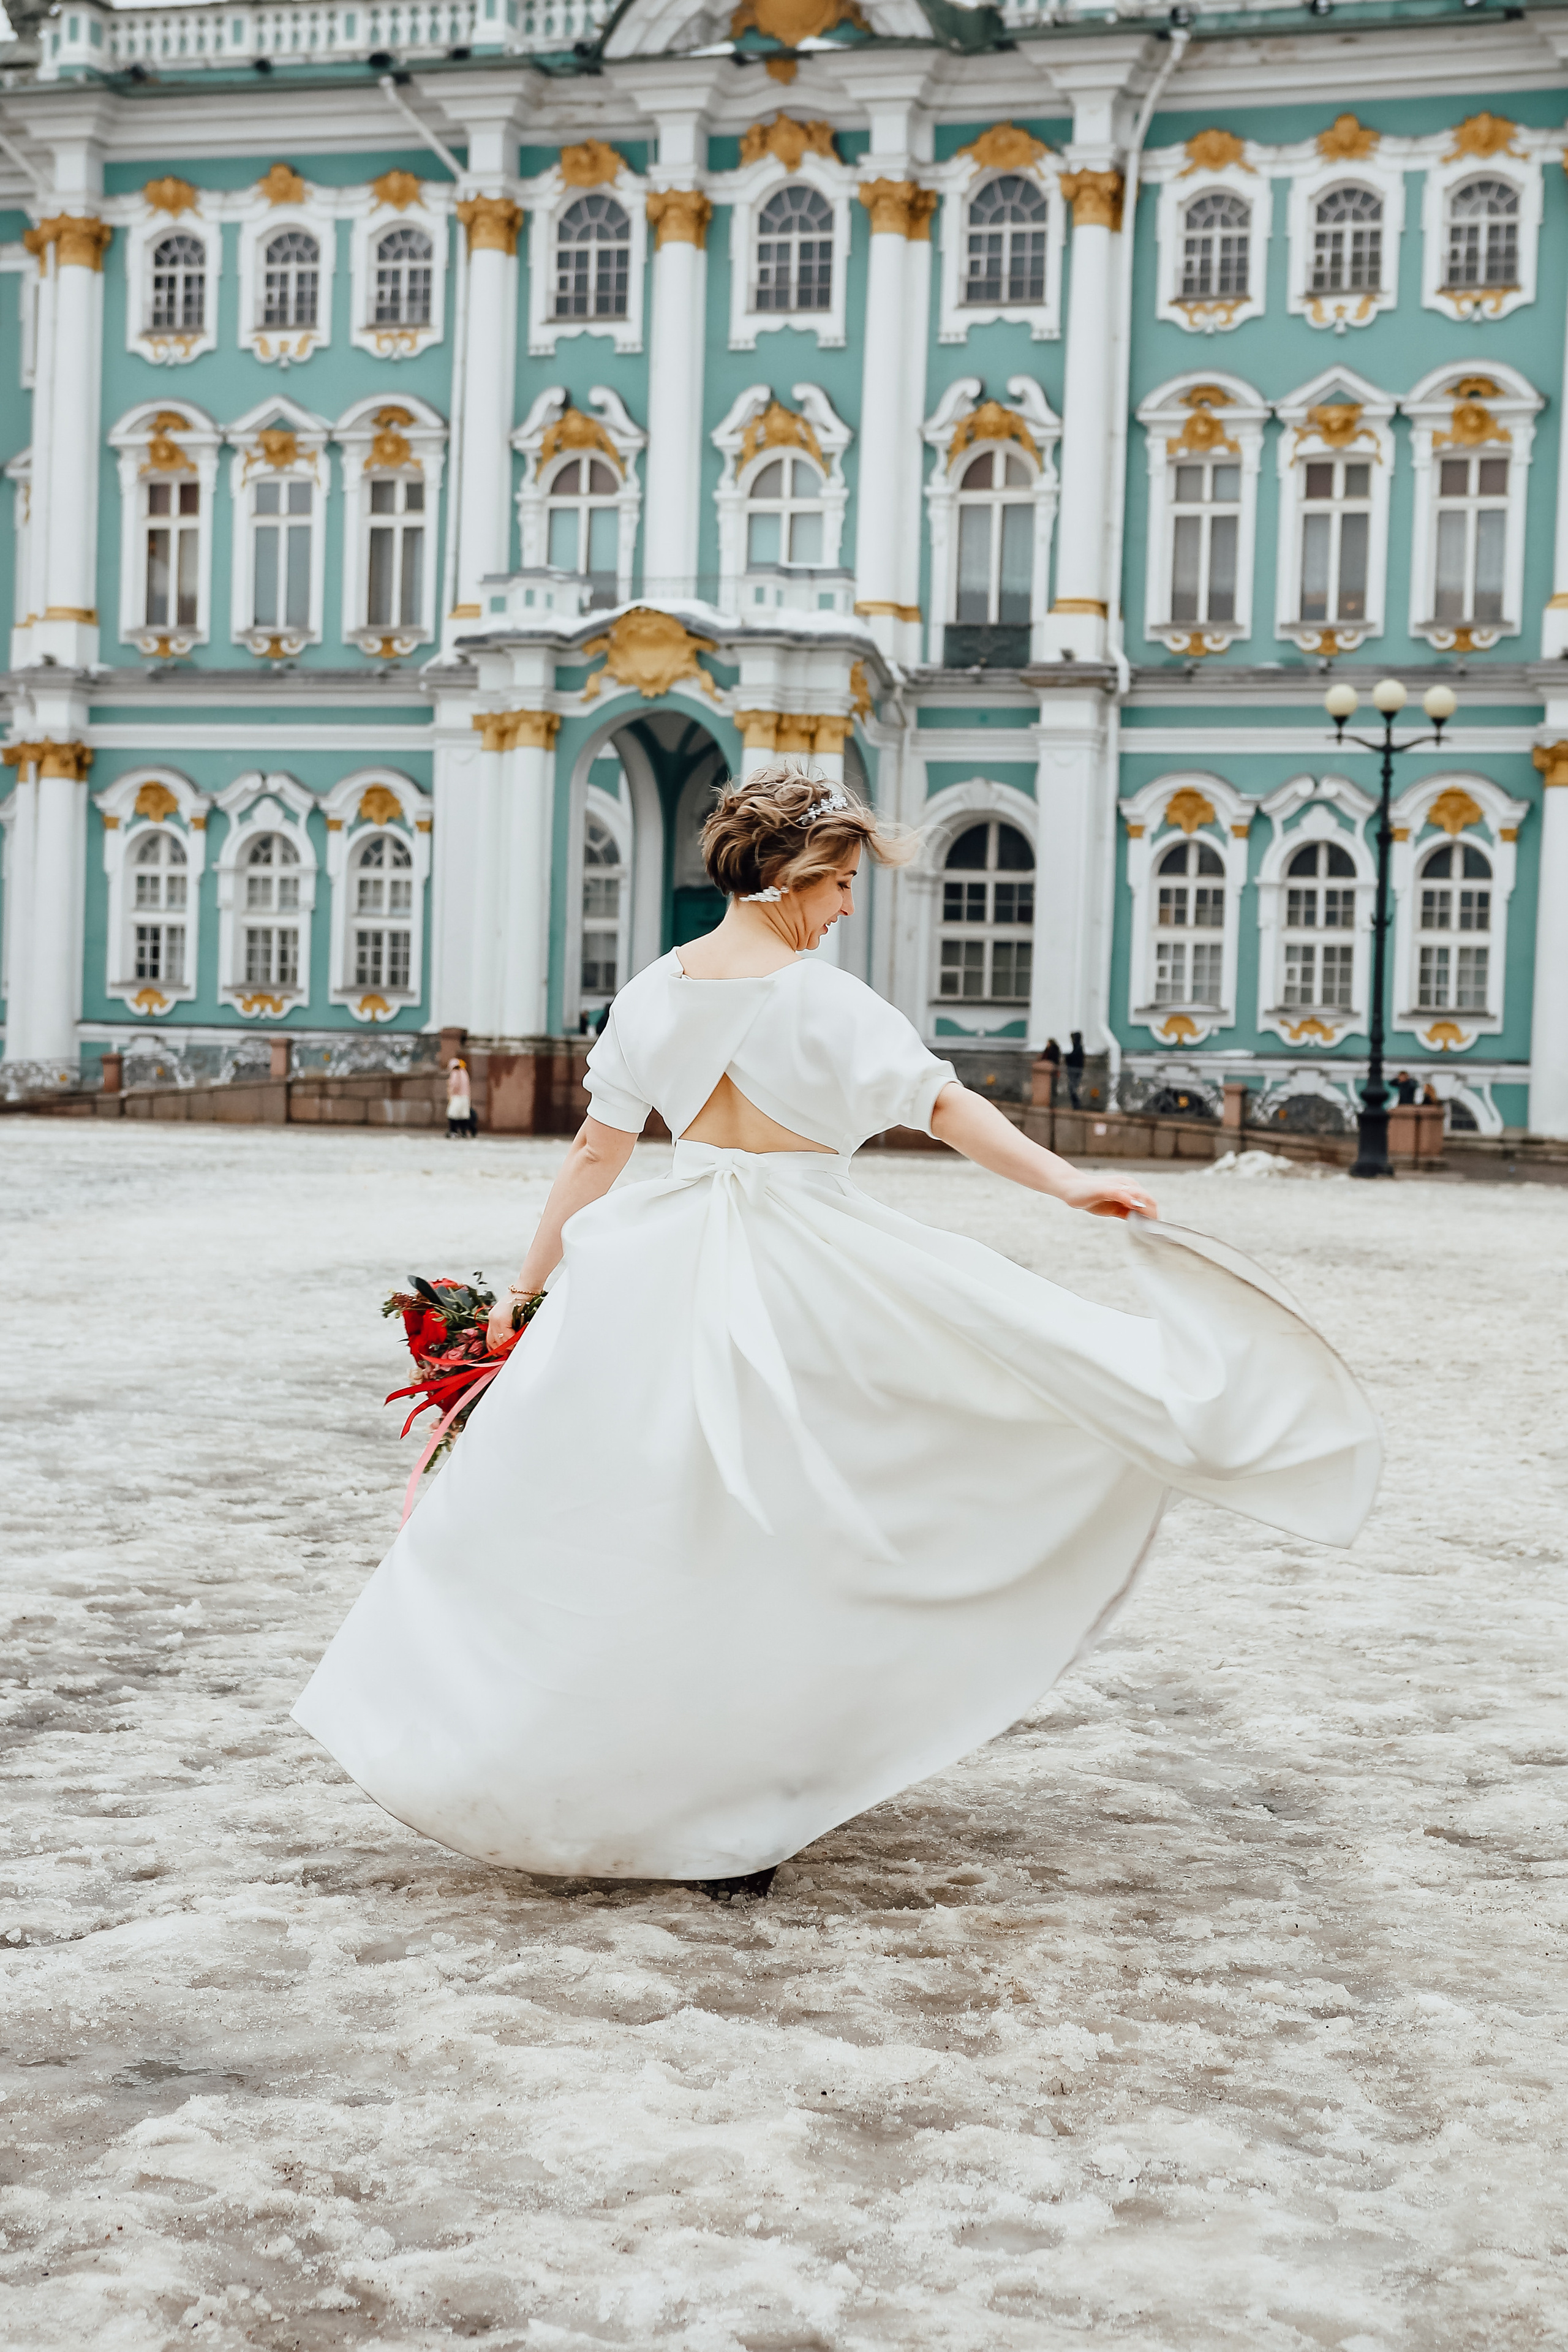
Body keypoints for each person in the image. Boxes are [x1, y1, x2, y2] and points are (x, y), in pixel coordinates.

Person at [294, 766, 1380, 1898]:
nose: (851, 906)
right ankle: (743, 1793)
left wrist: (527, 1290)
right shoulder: (826, 1002)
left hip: (653, 1270)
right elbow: (947, 1109)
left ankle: (605, 1769)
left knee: (638, 1526)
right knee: (813, 1520)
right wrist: (1068, 1186)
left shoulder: (650, 996)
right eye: (844, 882)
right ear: (791, 880)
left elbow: (595, 1157)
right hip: (805, 1273)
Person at [445, 1057, 474, 1139]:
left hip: (457, 1097)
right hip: (465, 1097)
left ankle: (453, 1131)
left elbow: (454, 1085)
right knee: (463, 1116)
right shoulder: (464, 1072)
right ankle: (464, 1132)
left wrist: (450, 1094)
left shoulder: (455, 1073)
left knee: (453, 1115)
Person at [1064, 1030, 1086, 1108]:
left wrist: (1068, 1057)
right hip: (1074, 1070)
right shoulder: (1077, 1047)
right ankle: (1076, 1105)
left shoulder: (1079, 1048)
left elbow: (1074, 1057)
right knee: (1071, 1088)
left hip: (1075, 1071)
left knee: (1073, 1088)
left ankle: (1077, 1105)